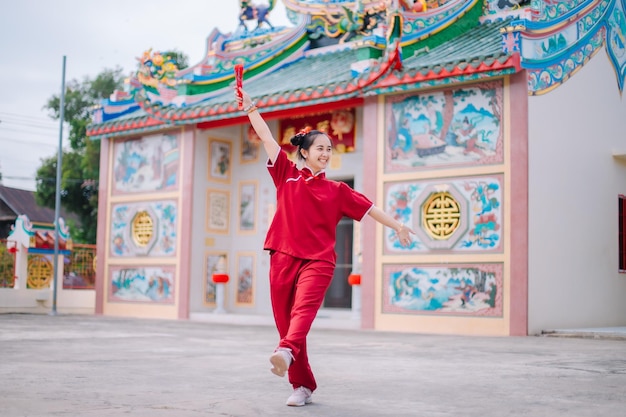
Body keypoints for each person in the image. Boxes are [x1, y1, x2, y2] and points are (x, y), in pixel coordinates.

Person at [236, 89, 415, 407]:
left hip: (318, 260)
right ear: (303, 152)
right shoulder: (286, 175)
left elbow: (370, 208)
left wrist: (398, 226)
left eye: (329, 149)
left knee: (301, 313)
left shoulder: (337, 190)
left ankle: (287, 351)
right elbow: (266, 137)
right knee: (285, 322)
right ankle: (301, 385)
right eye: (320, 148)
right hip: (282, 256)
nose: (326, 152)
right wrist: (251, 109)